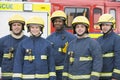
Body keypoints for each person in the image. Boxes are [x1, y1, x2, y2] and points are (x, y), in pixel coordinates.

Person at [46, 10, 75, 80]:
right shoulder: (49, 38)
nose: (57, 23)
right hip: (53, 72)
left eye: (59, 21)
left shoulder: (71, 38)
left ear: (64, 23)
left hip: (66, 72)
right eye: (55, 21)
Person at [0, 14, 27, 80]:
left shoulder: (28, 41)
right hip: (7, 77)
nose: (16, 27)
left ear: (22, 27)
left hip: (23, 76)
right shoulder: (2, 41)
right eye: (14, 25)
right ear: (11, 27)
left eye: (19, 25)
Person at [96, 14, 120, 80]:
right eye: (103, 25)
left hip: (111, 77)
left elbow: (118, 59)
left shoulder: (117, 39)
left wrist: (116, 76)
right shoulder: (98, 39)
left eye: (107, 25)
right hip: (99, 76)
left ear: (112, 26)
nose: (104, 27)